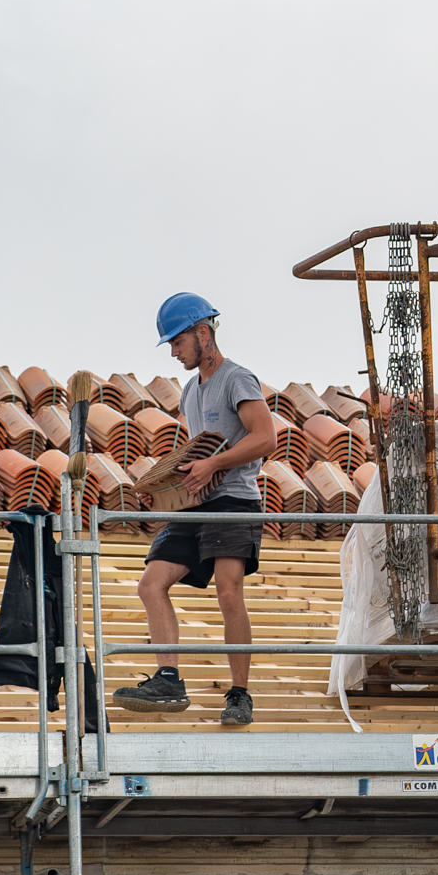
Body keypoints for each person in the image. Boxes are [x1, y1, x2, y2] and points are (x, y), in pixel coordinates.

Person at [111, 293, 279, 726]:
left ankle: (239, 695)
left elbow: (265, 439)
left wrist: (214, 464)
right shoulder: (190, 392)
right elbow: (195, 459)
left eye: (177, 341)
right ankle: (168, 678)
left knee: (228, 590)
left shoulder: (237, 379)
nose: (173, 351)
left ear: (202, 333)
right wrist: (164, 493)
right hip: (198, 503)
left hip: (235, 499)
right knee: (151, 584)